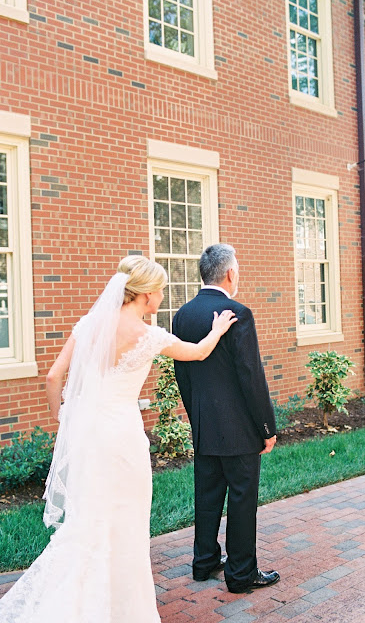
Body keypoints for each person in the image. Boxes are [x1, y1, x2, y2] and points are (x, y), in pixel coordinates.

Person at [0, 255, 237, 623]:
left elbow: (52, 377)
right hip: (123, 439)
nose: (162, 297)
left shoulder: (88, 325)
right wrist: (218, 329)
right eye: (161, 291)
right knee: (126, 522)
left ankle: (76, 602)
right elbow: (198, 352)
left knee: (89, 517)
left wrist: (63, 418)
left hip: (88, 435)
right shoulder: (149, 336)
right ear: (146, 295)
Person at [173, 243, 280, 594]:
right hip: (239, 431)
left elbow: (183, 375)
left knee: (207, 496)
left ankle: (204, 562)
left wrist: (197, 418)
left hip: (204, 425)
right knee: (241, 500)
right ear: (231, 273)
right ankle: (241, 574)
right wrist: (267, 427)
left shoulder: (183, 315)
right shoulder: (238, 313)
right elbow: (251, 376)